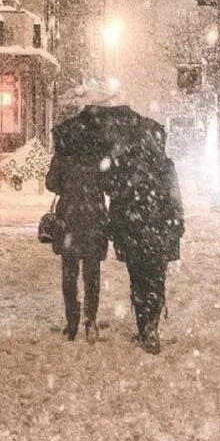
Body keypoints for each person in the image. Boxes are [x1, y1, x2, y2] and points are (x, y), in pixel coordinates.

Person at [108, 140, 184, 355]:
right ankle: (152, 326)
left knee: (138, 282)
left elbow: (117, 201)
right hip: (159, 233)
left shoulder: (126, 166)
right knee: (156, 282)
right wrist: (177, 223)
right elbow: (174, 198)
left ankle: (144, 328)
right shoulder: (165, 165)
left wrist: (116, 228)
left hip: (134, 234)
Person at [45, 151, 108, 342]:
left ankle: (72, 321)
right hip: (94, 218)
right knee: (92, 273)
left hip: (69, 219)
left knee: (69, 273)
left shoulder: (64, 155)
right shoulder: (98, 154)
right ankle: (91, 319)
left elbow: (51, 184)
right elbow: (109, 184)